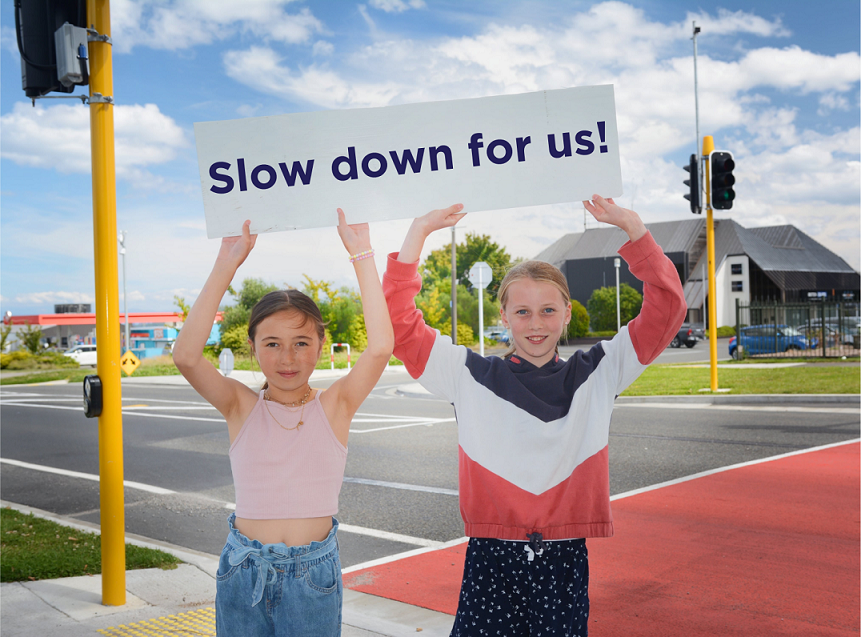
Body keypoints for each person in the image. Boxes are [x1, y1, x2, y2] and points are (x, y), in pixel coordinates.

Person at [383, 195, 686, 636]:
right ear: (504, 317)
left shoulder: (599, 370)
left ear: (567, 313)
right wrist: (418, 233)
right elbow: (399, 324)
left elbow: (667, 309)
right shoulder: (470, 374)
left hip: (564, 561)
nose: (535, 323)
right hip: (491, 559)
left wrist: (634, 229)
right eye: (522, 312)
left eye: (548, 310)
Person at [173, 210, 393, 637]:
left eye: (300, 343)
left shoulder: (336, 406)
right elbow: (186, 356)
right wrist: (227, 263)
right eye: (272, 344)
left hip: (313, 577)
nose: (287, 358)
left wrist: (361, 252)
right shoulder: (240, 405)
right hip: (243, 569)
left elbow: (381, 347)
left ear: (320, 347)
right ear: (253, 348)